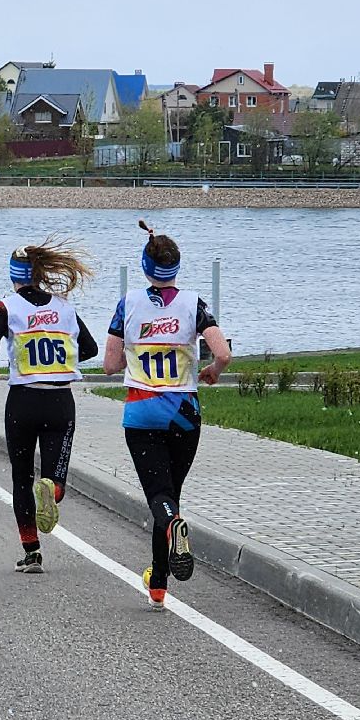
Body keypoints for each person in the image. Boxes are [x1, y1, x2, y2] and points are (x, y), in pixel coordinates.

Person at [102, 222, 231, 610]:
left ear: (145, 267)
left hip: (143, 412)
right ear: (176, 268)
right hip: (184, 413)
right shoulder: (194, 304)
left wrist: (131, 349)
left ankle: (169, 543)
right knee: (170, 494)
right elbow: (222, 353)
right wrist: (212, 371)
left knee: (160, 498)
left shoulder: (128, 304)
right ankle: (158, 583)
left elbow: (108, 365)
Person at [0, 241, 98, 574]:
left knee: (21, 478)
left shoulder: (6, 307)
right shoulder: (65, 307)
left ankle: (32, 551)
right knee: (53, 474)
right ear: (40, 273)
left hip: (22, 400)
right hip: (60, 401)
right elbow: (90, 348)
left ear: (13, 277)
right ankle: (53, 489)